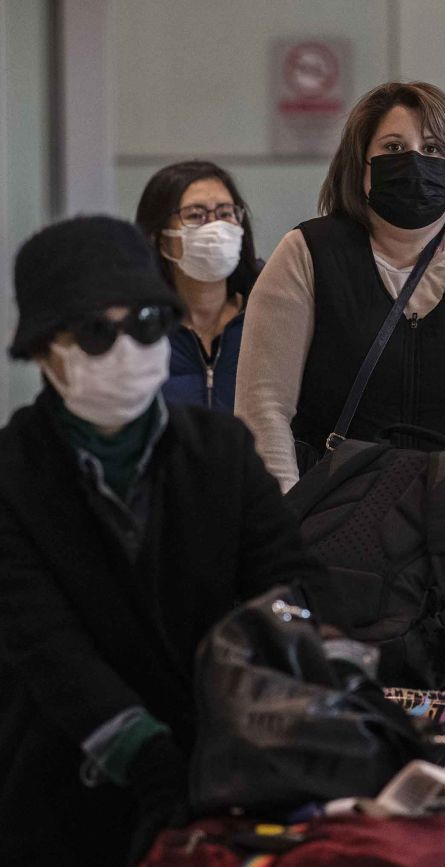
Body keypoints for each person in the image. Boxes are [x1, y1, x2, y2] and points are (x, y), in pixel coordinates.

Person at [0, 216, 325, 865]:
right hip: (61, 787)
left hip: (224, 778)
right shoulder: (12, 473)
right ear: (44, 350)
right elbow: (45, 643)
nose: (127, 347)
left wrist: (275, 697)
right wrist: (149, 756)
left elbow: (289, 582)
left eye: (147, 322)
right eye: (96, 331)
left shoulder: (221, 451)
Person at [236, 81, 445, 560]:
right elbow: (263, 409)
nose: (415, 160)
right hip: (337, 542)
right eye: (394, 147)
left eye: (434, 148)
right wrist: (286, 537)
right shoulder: (306, 254)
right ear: (362, 166)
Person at [135, 160, 258, 411]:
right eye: (195, 215)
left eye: (225, 213)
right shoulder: (139, 328)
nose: (214, 226)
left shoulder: (265, 317)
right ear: (160, 238)